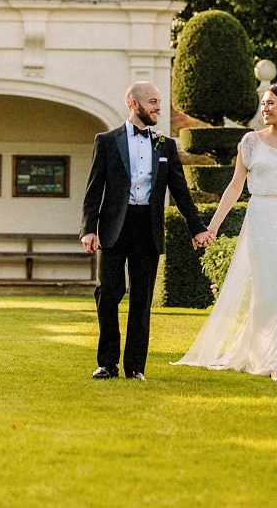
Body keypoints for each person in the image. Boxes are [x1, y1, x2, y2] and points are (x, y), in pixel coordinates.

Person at [173, 83, 277, 382]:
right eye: (262, 104)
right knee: (266, 294)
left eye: (270, 103)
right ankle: (258, 355)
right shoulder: (250, 143)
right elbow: (235, 187)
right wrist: (212, 225)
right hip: (261, 221)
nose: (264, 109)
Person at [80, 81, 212, 381]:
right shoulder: (106, 141)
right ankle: (107, 363)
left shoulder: (165, 145)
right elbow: (93, 189)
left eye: (158, 102)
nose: (158, 107)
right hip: (113, 227)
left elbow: (180, 190)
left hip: (148, 228)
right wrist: (88, 229)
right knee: (107, 294)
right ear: (134, 104)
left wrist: (197, 228)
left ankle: (135, 367)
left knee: (142, 299)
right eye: (152, 101)